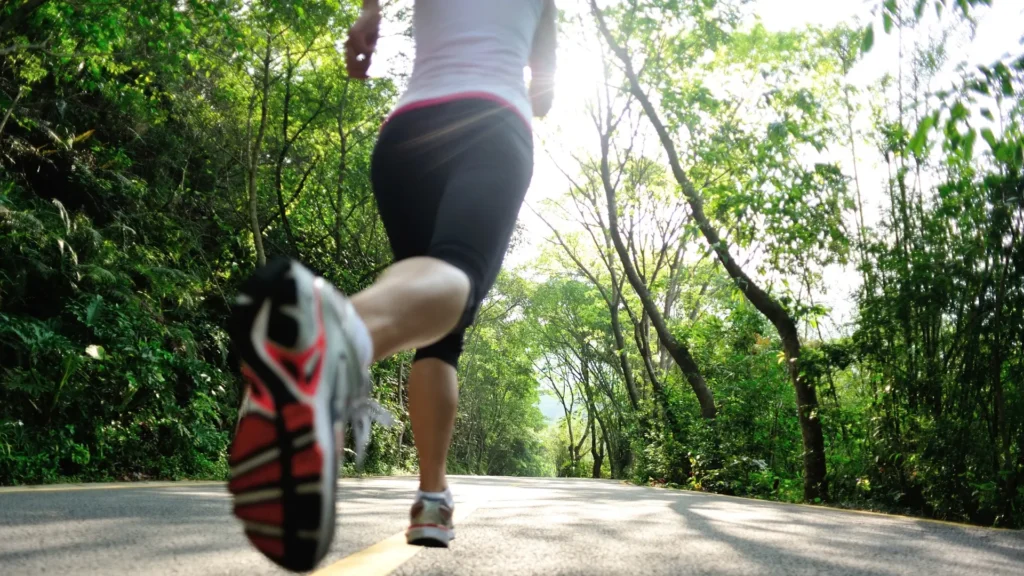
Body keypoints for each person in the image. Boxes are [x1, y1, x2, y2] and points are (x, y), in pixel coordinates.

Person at [224, 0, 558, 571]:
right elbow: (544, 90)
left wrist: (369, 16)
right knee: (457, 279)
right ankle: (333, 339)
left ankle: (431, 499)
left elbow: (369, 24)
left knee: (428, 312)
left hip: (407, 134)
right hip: (490, 121)